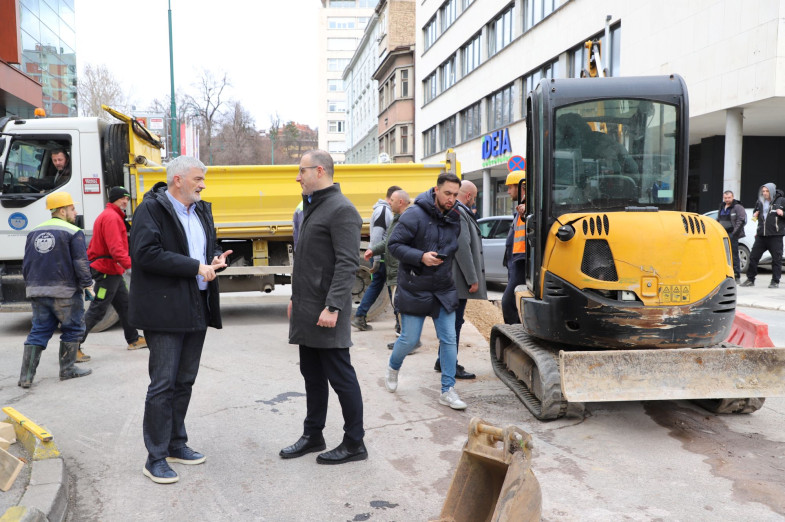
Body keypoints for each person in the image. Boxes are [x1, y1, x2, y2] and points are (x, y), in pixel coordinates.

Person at [129, 156, 232, 484]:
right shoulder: (151, 209)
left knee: (184, 381)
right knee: (163, 384)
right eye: (198, 179)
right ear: (178, 180)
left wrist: (214, 258)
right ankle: (155, 457)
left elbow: (202, 248)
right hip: (164, 309)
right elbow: (145, 253)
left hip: (196, 305)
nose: (203, 185)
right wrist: (194, 267)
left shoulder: (200, 210)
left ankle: (176, 444)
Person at [281, 149, 367, 465]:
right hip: (307, 309)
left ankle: (354, 443)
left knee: (341, 377)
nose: (297, 177)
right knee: (312, 375)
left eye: (301, 171)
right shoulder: (312, 207)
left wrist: (332, 307)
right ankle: (313, 435)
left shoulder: (341, 209)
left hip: (326, 312)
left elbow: (347, 263)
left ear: (319, 171)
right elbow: (308, 263)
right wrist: (294, 299)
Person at [385, 172, 468, 410]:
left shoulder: (455, 216)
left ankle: (447, 390)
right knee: (410, 339)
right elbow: (394, 245)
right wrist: (421, 256)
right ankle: (393, 367)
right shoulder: (414, 214)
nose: (452, 199)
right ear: (436, 190)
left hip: (443, 287)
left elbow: (452, 248)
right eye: (447, 193)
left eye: (455, 194)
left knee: (449, 338)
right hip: (415, 286)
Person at [18, 191, 93, 388]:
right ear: (62, 210)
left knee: (39, 330)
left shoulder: (34, 231)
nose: (75, 212)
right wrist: (87, 284)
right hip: (64, 291)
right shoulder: (72, 231)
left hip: (37, 290)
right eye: (72, 209)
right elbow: (80, 262)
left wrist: (31, 285)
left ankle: (26, 377)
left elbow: (27, 262)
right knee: (73, 328)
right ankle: (67, 370)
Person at [79, 186, 146, 361]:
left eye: (127, 198)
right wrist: (131, 267)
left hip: (112, 271)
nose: (125, 201)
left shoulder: (111, 215)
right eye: (121, 198)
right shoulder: (112, 218)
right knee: (98, 309)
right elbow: (116, 249)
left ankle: (133, 339)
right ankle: (73, 345)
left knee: (125, 305)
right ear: (113, 199)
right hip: (106, 271)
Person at [434, 180, 485, 380]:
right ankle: (450, 364)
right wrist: (472, 278)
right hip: (457, 279)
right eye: (475, 197)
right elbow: (462, 248)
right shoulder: (460, 212)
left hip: (452, 277)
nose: (474, 201)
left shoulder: (456, 211)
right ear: (469, 196)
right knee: (454, 323)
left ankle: (442, 360)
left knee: (452, 321)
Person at [351, 185, 402, 331]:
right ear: (392, 198)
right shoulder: (383, 211)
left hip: (381, 255)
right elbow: (377, 236)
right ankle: (399, 322)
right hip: (383, 256)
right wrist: (378, 259)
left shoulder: (382, 210)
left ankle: (360, 316)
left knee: (379, 285)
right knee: (392, 287)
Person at [740, 183, 785, 289]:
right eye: (763, 191)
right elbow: (756, 214)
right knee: (753, 257)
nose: (764, 193)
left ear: (772, 191)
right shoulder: (760, 201)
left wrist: (783, 213)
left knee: (776, 259)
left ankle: (775, 281)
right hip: (761, 235)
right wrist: (755, 214)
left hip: (775, 235)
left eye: (767, 191)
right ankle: (750, 279)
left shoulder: (781, 201)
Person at [502, 171, 527, 324]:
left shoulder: (528, 207)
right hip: (516, 261)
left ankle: (514, 331)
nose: (508, 191)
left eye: (510, 187)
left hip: (522, 261)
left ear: (521, 186)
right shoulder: (520, 209)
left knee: (508, 302)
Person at [716, 190, 746, 283]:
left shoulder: (737, 207)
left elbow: (741, 220)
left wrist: (734, 233)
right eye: (725, 198)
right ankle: (724, 274)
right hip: (722, 234)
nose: (727, 199)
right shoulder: (722, 206)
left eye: (729, 197)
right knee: (723, 255)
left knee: (734, 255)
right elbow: (718, 219)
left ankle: (736, 276)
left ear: (732, 197)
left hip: (732, 234)